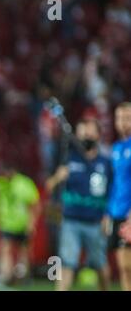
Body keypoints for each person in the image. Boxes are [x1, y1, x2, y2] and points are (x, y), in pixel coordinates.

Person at [46, 118, 111, 291]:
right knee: (66, 263)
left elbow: (113, 191)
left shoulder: (105, 162)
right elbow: (49, 185)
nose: (86, 136)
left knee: (100, 265)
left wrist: (107, 216)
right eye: (83, 132)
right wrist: (58, 177)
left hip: (95, 222)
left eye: (90, 132)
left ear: (98, 134)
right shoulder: (68, 159)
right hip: (71, 221)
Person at [0, 163, 40, 286]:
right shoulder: (0, 183)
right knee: (6, 249)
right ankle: (6, 277)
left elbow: (35, 204)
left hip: (22, 224)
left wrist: (32, 223)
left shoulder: (24, 183)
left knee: (24, 252)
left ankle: (23, 277)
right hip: (6, 223)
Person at [106, 102, 131, 291]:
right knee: (123, 267)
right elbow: (116, 183)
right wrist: (108, 212)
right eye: (119, 118)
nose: (123, 122)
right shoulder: (116, 148)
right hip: (117, 213)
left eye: (127, 118)